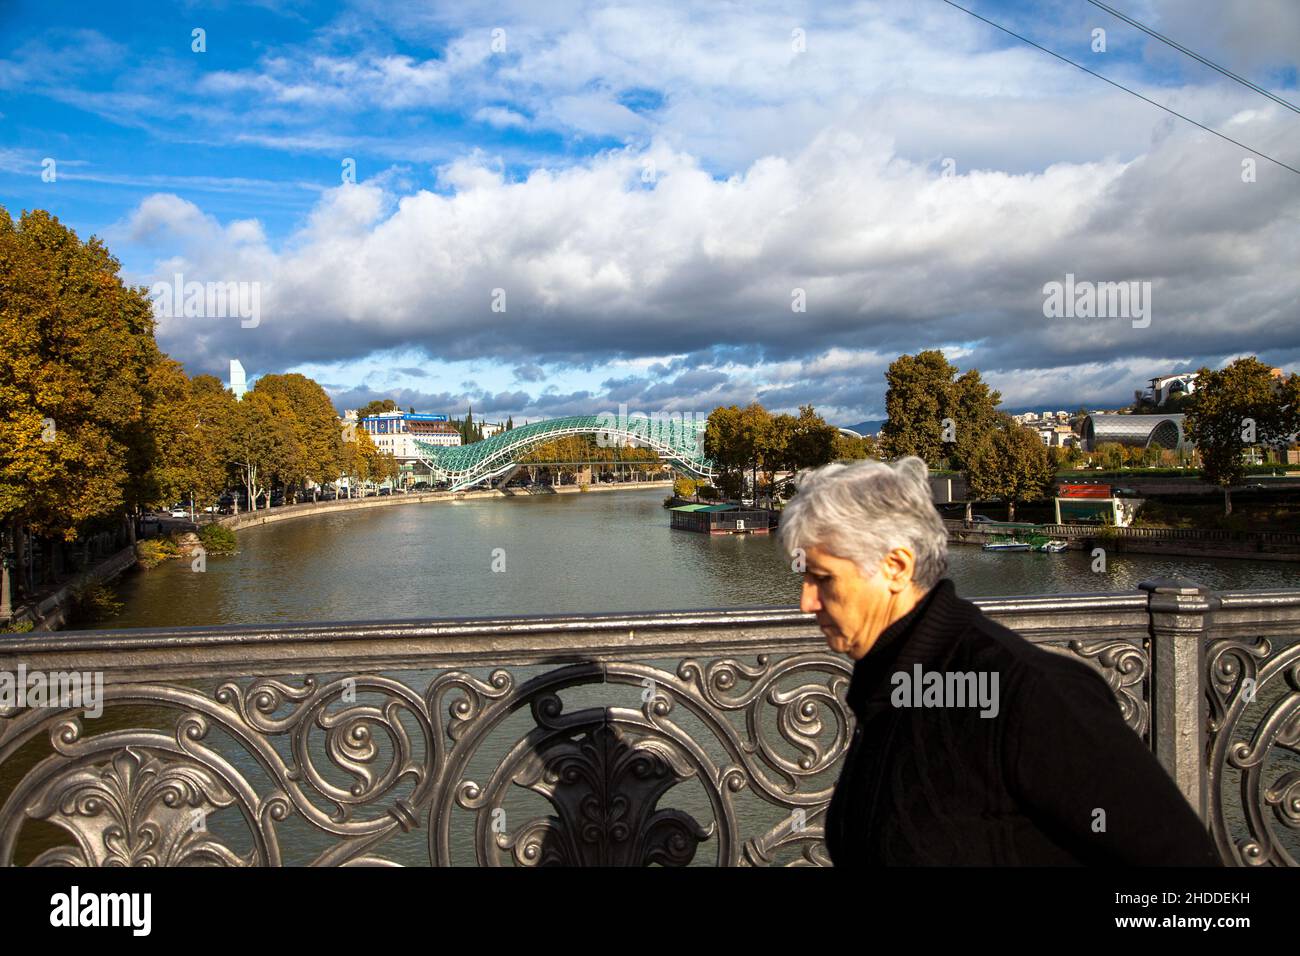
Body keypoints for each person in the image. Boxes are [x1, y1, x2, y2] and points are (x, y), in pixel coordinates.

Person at [778, 456, 1220, 866]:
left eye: (822, 578)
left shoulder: (1029, 694)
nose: (805, 602)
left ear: (896, 567)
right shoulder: (891, 685)